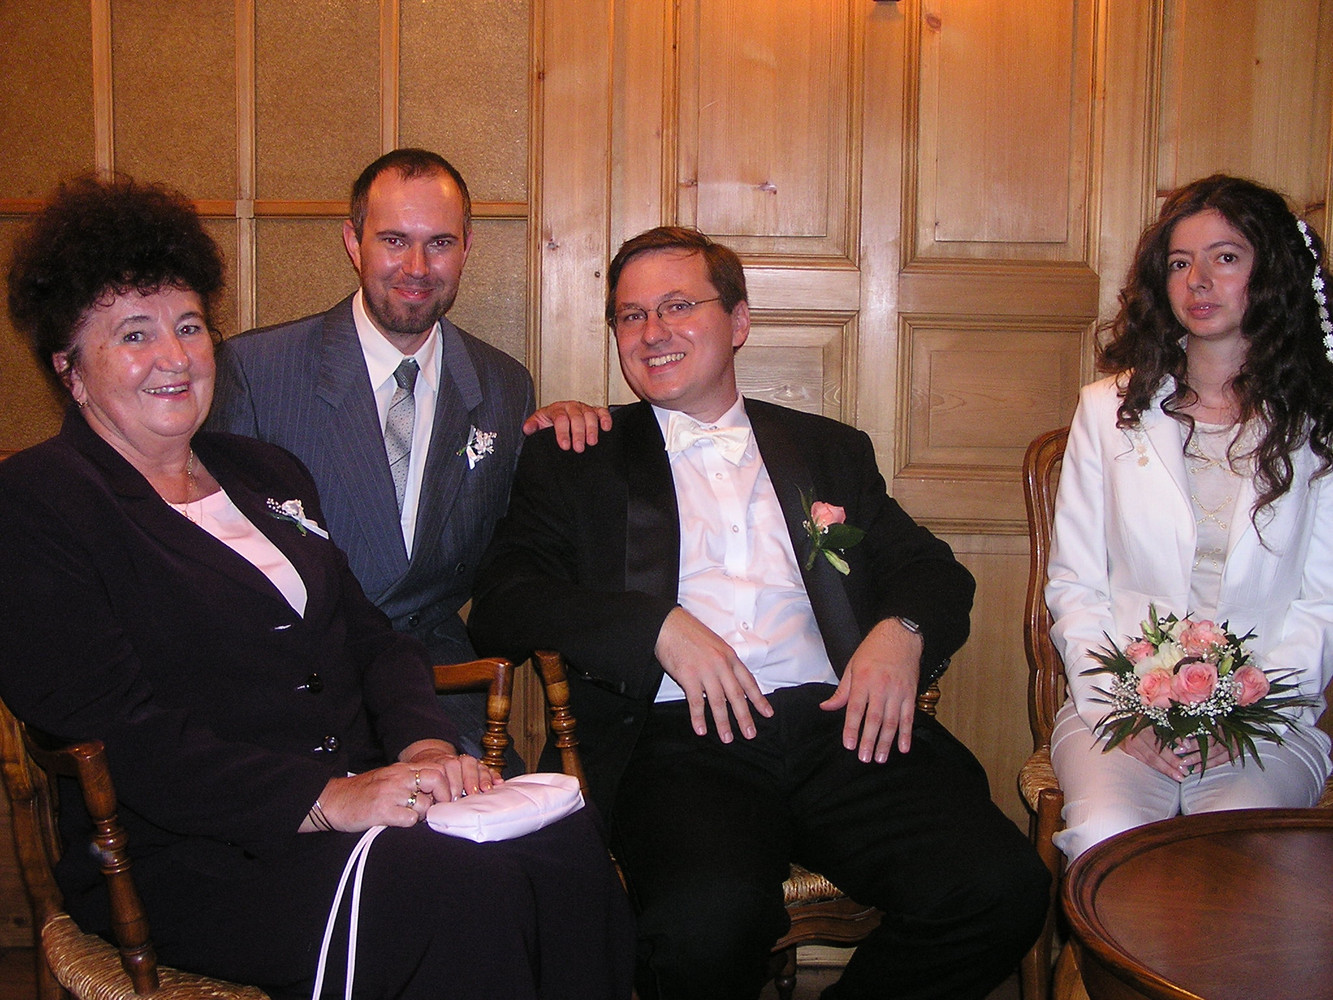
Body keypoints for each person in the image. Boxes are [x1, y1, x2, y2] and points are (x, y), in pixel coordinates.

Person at [0, 175, 633, 999]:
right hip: (197, 848)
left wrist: (423, 747)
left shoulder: (263, 474)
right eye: (133, 334)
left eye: (189, 326)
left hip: (356, 803)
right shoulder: (37, 503)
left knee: (563, 848)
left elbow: (370, 637)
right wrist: (326, 798)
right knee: (465, 892)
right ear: (71, 370)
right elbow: (120, 732)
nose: (174, 357)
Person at [468, 226, 1049, 1000]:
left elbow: (929, 571)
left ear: (738, 321)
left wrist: (900, 632)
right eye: (631, 315)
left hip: (840, 721)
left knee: (1000, 888)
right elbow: (501, 601)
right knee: (701, 929)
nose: (652, 332)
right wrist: (651, 627)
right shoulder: (580, 455)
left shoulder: (827, 450)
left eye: (678, 306)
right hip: (677, 740)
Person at [208, 148, 609, 762]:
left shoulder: (502, 385)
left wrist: (560, 444)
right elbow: (216, 562)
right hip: (297, 683)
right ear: (354, 242)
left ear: (466, 247)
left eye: (440, 243)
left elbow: (517, 549)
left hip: (435, 682)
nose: (417, 268)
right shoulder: (259, 371)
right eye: (394, 240)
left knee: (527, 816)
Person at [1046, 174, 1333, 861]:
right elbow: (1075, 586)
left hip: (1268, 716)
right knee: (1109, 838)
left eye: (1225, 257)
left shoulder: (1319, 422)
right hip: (1117, 709)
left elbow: (1321, 601)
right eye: (1180, 263)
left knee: (1235, 853)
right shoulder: (1106, 411)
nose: (1198, 280)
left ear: (1272, 272)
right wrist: (1121, 708)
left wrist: (1249, 706)